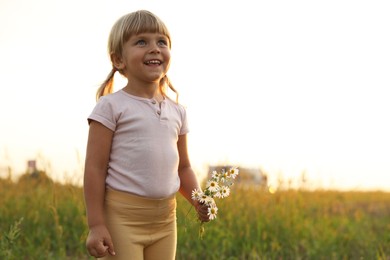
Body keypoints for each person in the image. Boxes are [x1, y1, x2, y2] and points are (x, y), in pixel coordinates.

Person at [83, 10, 209, 260]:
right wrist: (96, 225)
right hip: (122, 218)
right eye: (142, 42)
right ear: (119, 59)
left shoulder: (177, 111)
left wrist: (198, 199)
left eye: (161, 41)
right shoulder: (111, 107)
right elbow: (95, 169)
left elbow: (183, 168)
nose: (154, 48)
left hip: (165, 220)